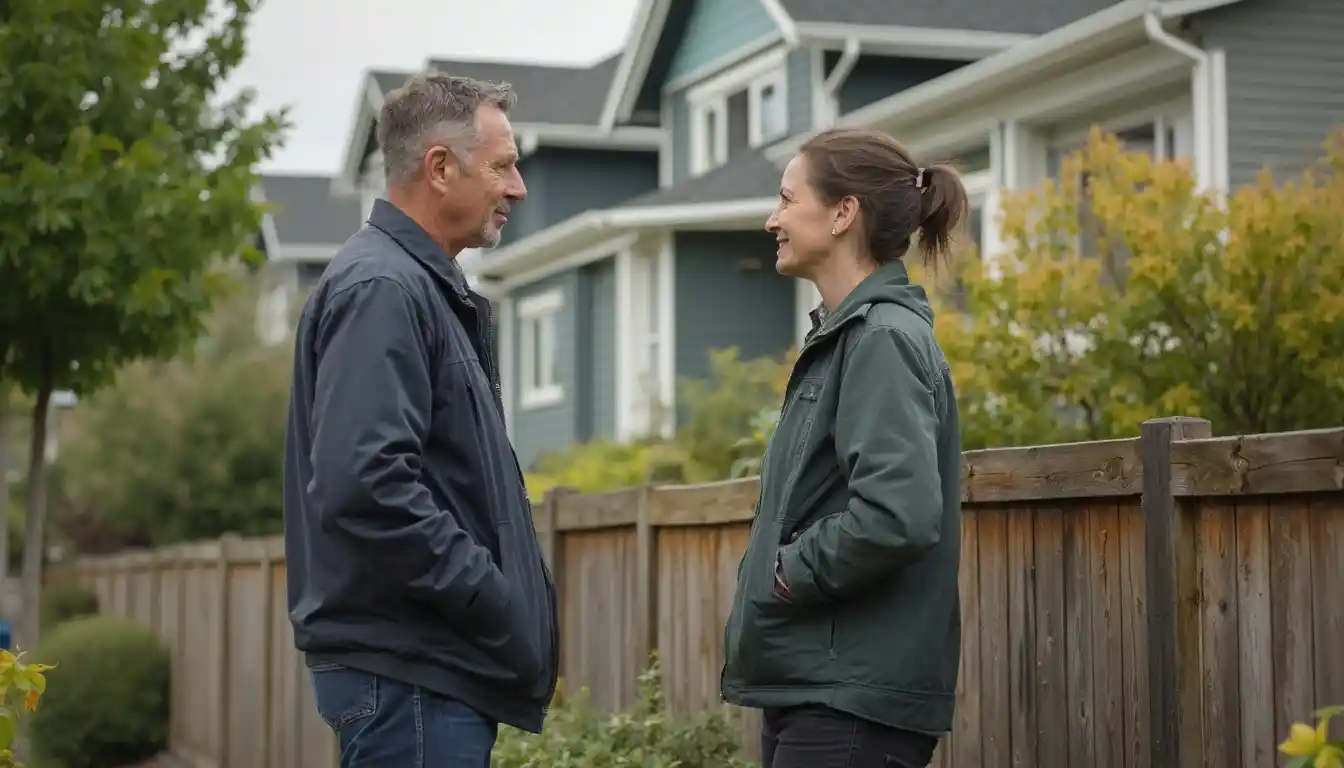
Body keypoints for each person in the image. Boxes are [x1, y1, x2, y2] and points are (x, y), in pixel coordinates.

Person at [282, 73, 558, 767]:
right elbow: (364, 485)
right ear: (440, 167)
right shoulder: (384, 289)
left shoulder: (417, 288)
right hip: (410, 678)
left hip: (422, 675)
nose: (517, 187)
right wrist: (490, 597)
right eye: (502, 165)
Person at [720, 126, 967, 768]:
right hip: (820, 689)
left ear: (842, 213)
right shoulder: (845, 336)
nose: (772, 219)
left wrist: (785, 573)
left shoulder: (881, 338)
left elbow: (897, 516)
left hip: (853, 702)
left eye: (785, 198)